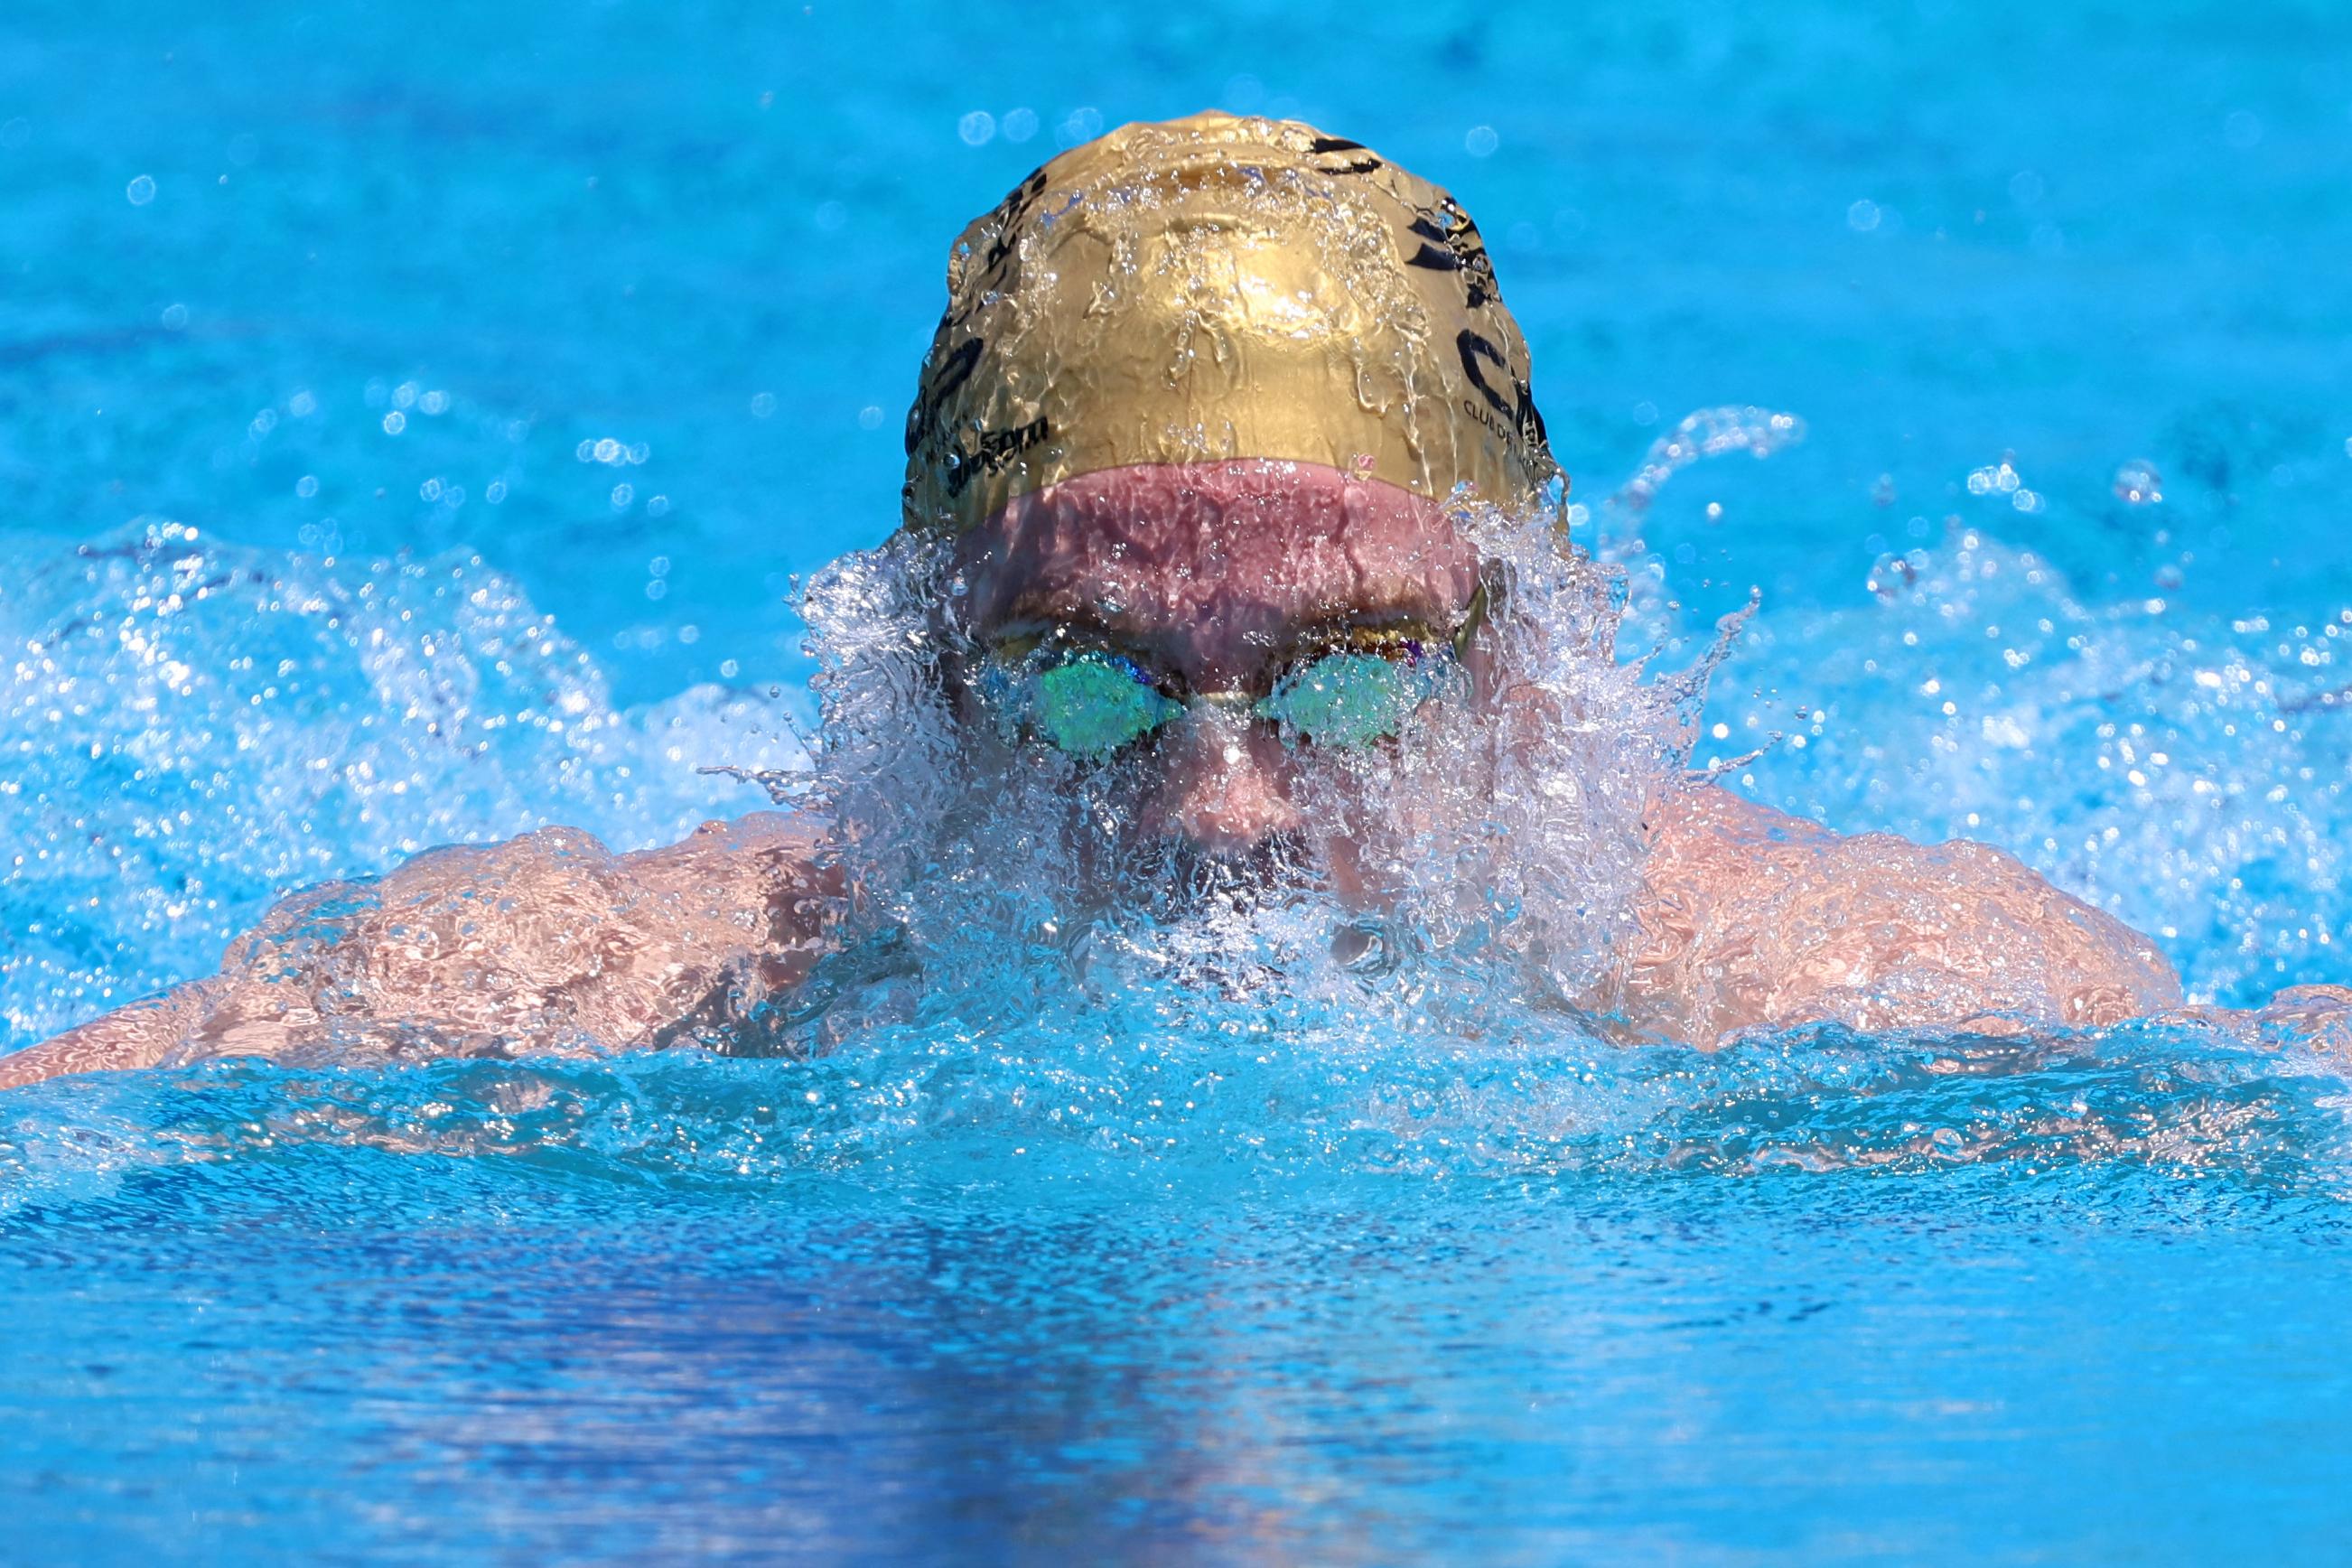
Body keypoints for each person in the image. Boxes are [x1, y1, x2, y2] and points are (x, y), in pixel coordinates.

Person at [2, 111, 2338, 1090]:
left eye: (1336, 688)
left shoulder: (1834, 983)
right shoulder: (668, 978)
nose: (1217, 812)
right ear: (910, 689)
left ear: (1544, 670)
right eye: (1095, 697)